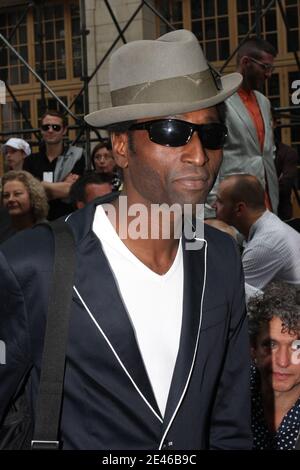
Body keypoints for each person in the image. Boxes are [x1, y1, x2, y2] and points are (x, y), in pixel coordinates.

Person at [0, 30, 252, 450]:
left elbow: (229, 424)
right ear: (120, 147)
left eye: (210, 135)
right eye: (171, 132)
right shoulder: (34, 263)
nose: (197, 155)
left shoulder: (221, 257)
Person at [206, 37, 279, 217]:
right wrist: (212, 206)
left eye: (271, 68)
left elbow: (267, 151)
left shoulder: (264, 102)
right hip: (234, 205)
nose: (269, 74)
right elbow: (210, 154)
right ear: (246, 62)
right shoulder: (220, 100)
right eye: (265, 67)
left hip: (267, 203)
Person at [213, 174, 300, 289]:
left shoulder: (263, 245)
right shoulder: (269, 221)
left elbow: (232, 297)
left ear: (239, 208)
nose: (213, 205)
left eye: (219, 201)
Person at [248, 280, 300, 450]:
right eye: (271, 345)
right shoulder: (227, 394)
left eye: (297, 347)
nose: (282, 361)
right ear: (253, 349)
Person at [23, 110, 86, 220]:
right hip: (38, 221)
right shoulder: (30, 160)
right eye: (46, 127)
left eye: (56, 127)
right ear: (41, 131)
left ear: (64, 130)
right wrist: (62, 185)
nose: (50, 130)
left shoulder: (77, 156)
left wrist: (40, 185)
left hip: (68, 220)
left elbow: (72, 190)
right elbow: (29, 193)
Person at [0, 170, 48, 242]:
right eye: (6, 195)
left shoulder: (46, 231)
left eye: (17, 194)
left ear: (33, 196)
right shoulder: (3, 227)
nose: (10, 199)